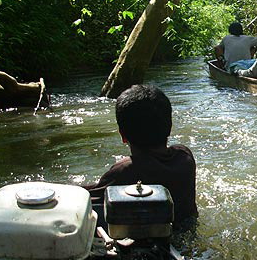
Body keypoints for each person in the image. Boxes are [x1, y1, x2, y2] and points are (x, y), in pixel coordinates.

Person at [84, 84, 198, 227]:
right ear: (169, 127)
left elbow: (86, 199)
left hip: (149, 243)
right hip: (186, 235)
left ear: (122, 135)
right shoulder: (184, 157)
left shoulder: (126, 170)